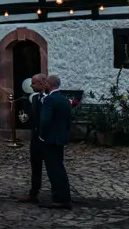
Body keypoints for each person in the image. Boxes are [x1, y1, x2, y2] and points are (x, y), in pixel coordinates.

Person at [38, 74, 72, 209]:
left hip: (51, 139)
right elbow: (68, 121)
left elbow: (45, 120)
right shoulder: (64, 99)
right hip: (61, 137)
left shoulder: (50, 99)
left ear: (50, 84)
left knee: (53, 169)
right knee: (60, 168)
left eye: (46, 82)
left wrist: (42, 135)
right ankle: (65, 196)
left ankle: (59, 198)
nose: (45, 85)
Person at [17, 73, 48, 203]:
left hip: (47, 138)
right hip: (35, 138)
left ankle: (58, 193)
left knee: (52, 166)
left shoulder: (49, 98)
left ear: (42, 84)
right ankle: (33, 192)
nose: (30, 85)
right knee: (35, 166)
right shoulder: (33, 99)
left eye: (34, 83)